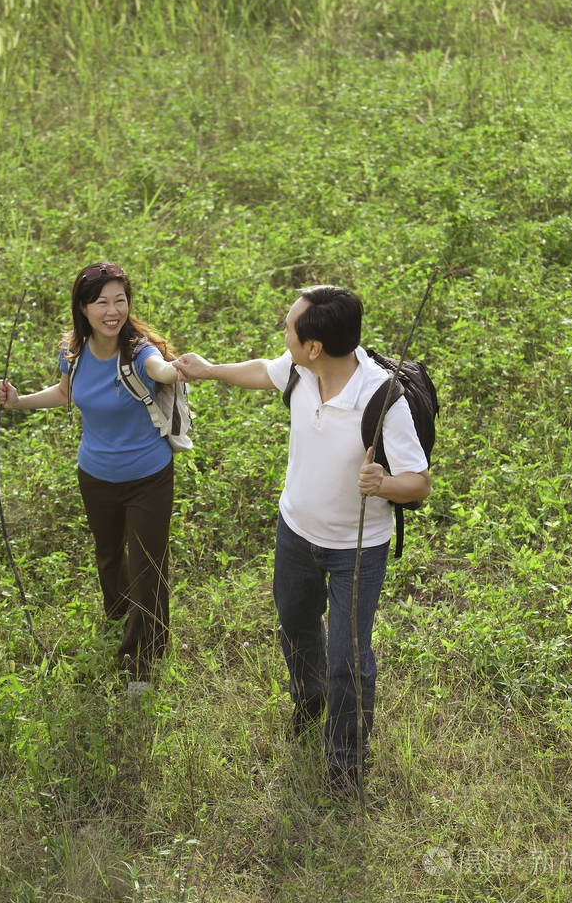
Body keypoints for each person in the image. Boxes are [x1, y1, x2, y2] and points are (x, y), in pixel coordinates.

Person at [173, 285, 430, 794]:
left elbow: (419, 485)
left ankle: (345, 763)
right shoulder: (300, 370)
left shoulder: (383, 401)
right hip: (295, 534)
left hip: (356, 550)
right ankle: (309, 705)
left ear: (315, 346)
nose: (283, 335)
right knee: (295, 627)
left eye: (289, 328)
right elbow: (261, 372)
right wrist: (207, 369)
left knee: (348, 657)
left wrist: (384, 483)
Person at [0, 262, 183, 694]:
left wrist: (179, 369)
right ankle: (117, 621)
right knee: (108, 558)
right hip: (95, 475)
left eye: (120, 300)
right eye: (102, 302)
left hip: (148, 477)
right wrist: (18, 401)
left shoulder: (139, 351)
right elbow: (63, 393)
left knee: (147, 567)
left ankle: (142, 660)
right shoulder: (72, 352)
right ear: (84, 308)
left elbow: (159, 370)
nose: (112, 310)